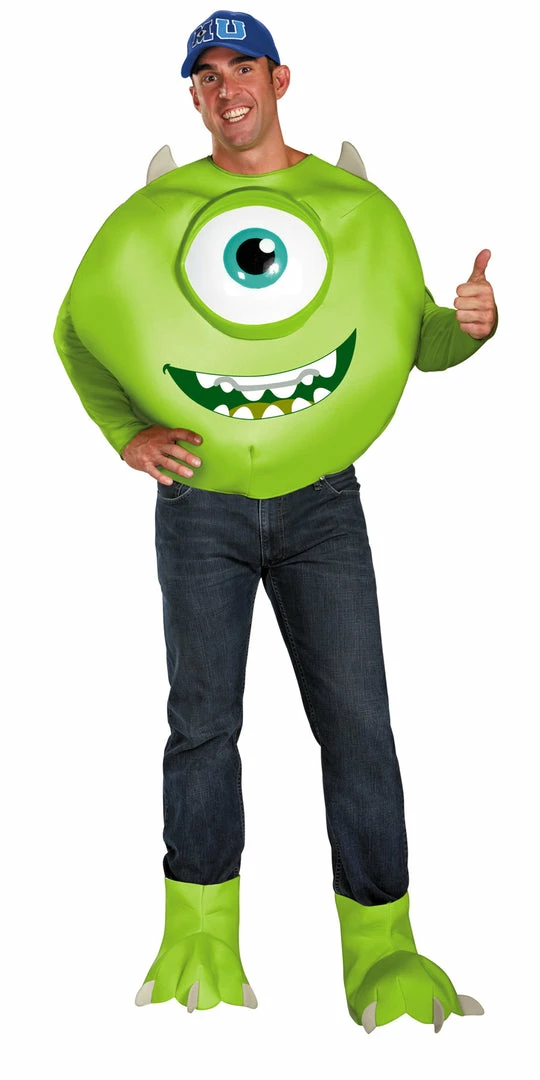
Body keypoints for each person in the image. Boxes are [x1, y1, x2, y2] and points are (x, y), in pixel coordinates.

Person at [53, 10, 497, 1030]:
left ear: (280, 79)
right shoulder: (158, 213)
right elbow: (75, 330)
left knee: (358, 725)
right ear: (194, 95)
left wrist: (472, 325)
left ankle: (382, 951)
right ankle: (200, 938)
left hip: (322, 506)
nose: (227, 89)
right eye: (206, 75)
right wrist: (125, 433)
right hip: (198, 505)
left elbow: (416, 339)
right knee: (203, 724)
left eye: (241, 67)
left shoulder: (353, 207)